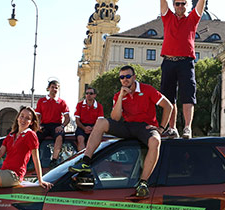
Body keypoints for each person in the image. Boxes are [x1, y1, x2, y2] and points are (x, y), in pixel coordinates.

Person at [69, 65, 173, 197]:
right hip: (127, 126)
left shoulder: (147, 89)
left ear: (134, 77)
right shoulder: (118, 95)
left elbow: (168, 106)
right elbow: (115, 118)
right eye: (122, 77)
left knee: (155, 140)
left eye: (128, 76)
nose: (125, 79)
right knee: (101, 122)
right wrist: (120, 98)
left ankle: (143, 183)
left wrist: (161, 128)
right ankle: (86, 161)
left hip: (145, 127)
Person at [159, 0, 206, 139]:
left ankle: (187, 127)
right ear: (173, 6)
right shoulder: (167, 16)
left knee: (188, 95)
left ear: (187, 6)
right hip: (169, 61)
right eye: (177, 4)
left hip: (186, 61)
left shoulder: (192, 18)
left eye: (183, 4)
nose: (180, 6)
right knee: (169, 97)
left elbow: (202, 0)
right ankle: (172, 128)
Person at [35, 80, 70, 167]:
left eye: (56, 87)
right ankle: (32, 159)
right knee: (34, 137)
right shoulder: (41, 101)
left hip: (56, 125)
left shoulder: (62, 102)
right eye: (52, 87)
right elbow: (37, 116)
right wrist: (38, 125)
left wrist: (62, 126)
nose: (54, 89)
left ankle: (54, 160)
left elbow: (67, 118)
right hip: (44, 125)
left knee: (59, 136)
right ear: (48, 88)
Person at [74, 86, 104, 152]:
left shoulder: (99, 106)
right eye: (87, 93)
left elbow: (100, 121)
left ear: (94, 95)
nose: (88, 95)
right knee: (80, 139)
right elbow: (77, 120)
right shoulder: (80, 105)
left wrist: (92, 128)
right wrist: (84, 128)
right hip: (82, 126)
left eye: (91, 93)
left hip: (94, 126)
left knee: (94, 142)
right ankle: (81, 158)